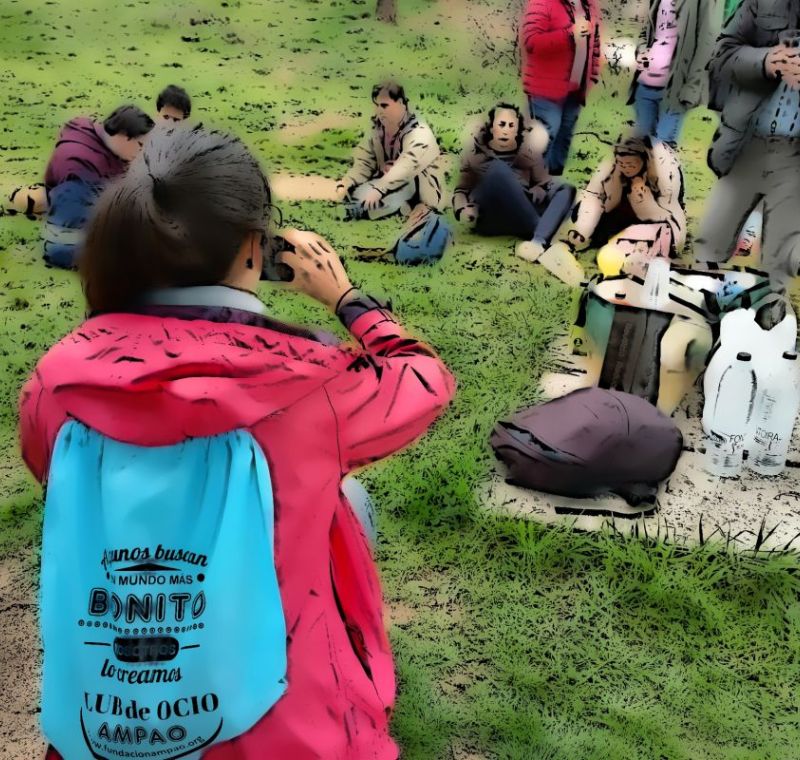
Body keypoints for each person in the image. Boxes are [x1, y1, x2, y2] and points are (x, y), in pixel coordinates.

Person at [22, 125, 455, 759]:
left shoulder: (56, 379)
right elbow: (425, 379)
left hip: (104, 707)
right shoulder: (311, 382)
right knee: (345, 499)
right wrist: (346, 297)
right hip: (281, 730)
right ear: (254, 248)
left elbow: (47, 466)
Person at [694, 0, 800, 296]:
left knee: (779, 268)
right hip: (745, 145)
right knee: (710, 246)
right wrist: (767, 61)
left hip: (795, 162)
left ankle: (766, 325)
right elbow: (722, 54)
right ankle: (700, 317)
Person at [539, 136, 686, 275]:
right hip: (619, 211)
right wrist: (582, 231)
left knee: (648, 240)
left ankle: (630, 246)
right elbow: (592, 195)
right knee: (581, 215)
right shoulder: (611, 163)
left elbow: (671, 222)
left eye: (631, 165)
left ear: (644, 159)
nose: (626, 169)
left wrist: (644, 205)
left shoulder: (665, 170)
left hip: (653, 217)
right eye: (622, 164)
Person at [452, 103, 576, 253]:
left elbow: (545, 184)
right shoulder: (476, 156)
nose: (506, 130)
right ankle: (543, 225)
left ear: (517, 130)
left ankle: (538, 240)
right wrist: (462, 209)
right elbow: (460, 190)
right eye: (502, 125)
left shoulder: (528, 154)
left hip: (521, 211)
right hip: (490, 214)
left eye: (511, 126)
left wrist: (539, 189)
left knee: (565, 189)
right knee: (498, 169)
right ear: (492, 128)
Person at [42, 104, 154, 268]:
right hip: (72, 233)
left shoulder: (103, 140)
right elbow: (59, 246)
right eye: (141, 146)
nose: (143, 153)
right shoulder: (81, 170)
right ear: (124, 136)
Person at [336, 81, 447, 220]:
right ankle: (390, 209)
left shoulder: (420, 132)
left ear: (401, 103)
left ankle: (359, 210)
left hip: (418, 189)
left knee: (400, 186)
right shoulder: (376, 128)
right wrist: (347, 183)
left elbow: (406, 167)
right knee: (360, 191)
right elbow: (364, 163)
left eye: (384, 105)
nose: (379, 111)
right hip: (387, 184)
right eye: (376, 105)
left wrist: (379, 189)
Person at [520, 0, 602, 176]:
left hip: (575, 90)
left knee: (562, 141)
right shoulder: (542, 3)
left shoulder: (589, 5)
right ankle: (525, 186)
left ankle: (552, 186)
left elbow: (594, 45)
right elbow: (532, 42)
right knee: (544, 137)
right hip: (545, 89)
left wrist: (592, 76)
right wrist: (569, 34)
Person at [630, 0, 725, 148]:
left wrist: (692, 86)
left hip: (676, 89)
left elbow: (707, 43)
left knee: (662, 153)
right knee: (640, 150)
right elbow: (647, 27)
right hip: (646, 84)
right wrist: (642, 50)